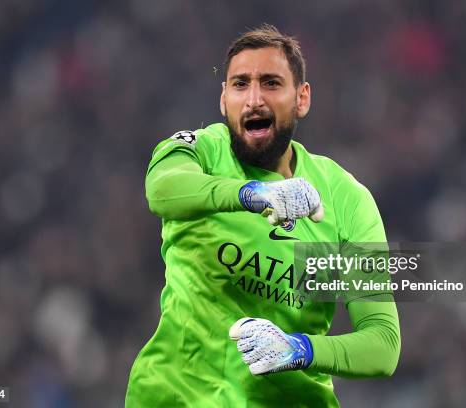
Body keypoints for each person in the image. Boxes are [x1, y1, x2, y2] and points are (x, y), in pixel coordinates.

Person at [125, 24, 400, 407]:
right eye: (240, 84)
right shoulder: (201, 152)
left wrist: (299, 349)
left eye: (271, 83)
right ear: (224, 100)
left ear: (301, 98)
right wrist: (250, 194)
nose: (254, 99)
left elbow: (383, 344)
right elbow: (163, 189)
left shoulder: (345, 197)